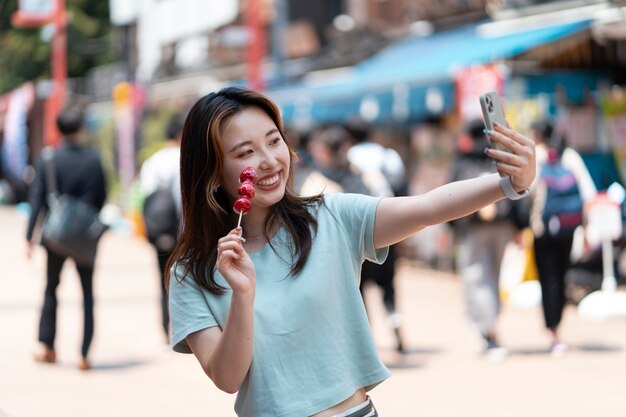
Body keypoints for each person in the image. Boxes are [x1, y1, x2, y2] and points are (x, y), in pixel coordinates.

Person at [166, 87, 535, 417]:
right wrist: (243, 296)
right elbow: (228, 378)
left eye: (273, 141)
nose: (268, 160)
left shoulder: (330, 217)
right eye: (246, 152)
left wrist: (509, 184)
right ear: (213, 172)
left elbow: (428, 208)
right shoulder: (190, 272)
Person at [25, 106, 107, 371]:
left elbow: (37, 199)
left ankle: (47, 346)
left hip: (55, 235)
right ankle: (84, 353)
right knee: (87, 293)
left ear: (57, 129)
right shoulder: (94, 159)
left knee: (51, 288)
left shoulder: (49, 159)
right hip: (84, 236)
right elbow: (101, 196)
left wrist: (29, 237)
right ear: (80, 128)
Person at [450, 119, 527, 360]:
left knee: (477, 277)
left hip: (475, 228)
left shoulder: (464, 161)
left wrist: (453, 228)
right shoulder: (498, 156)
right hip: (503, 226)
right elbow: (518, 189)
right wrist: (520, 226)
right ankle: (488, 325)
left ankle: (488, 330)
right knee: (493, 276)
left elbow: (452, 194)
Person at [529, 118, 596, 356]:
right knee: (562, 277)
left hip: (543, 230)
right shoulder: (571, 157)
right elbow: (588, 195)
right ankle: (558, 330)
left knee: (548, 280)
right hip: (569, 230)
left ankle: (553, 332)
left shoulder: (536, 156)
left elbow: (525, 192)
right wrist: (587, 232)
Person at [139, 113, 183, 340]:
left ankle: (165, 330)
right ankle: (181, 329)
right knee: (184, 279)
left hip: (158, 230)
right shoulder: (183, 159)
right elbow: (182, 199)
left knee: (162, 280)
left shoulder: (152, 161)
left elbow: (145, 197)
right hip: (180, 231)